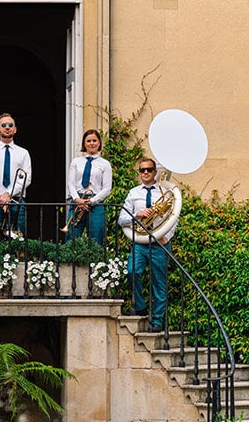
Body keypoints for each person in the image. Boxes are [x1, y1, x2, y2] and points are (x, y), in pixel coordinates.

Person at [117, 157, 177, 332]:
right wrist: (138, 215)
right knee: (132, 271)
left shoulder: (164, 192)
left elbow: (173, 217)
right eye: (142, 170)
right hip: (140, 242)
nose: (145, 173)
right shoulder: (133, 193)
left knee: (159, 282)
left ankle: (157, 320)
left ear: (154, 172)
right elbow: (121, 219)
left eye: (149, 170)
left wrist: (167, 236)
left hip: (160, 243)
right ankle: (141, 307)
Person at [0, 112, 32, 239]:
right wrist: (0, 197)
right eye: (3, 125)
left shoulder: (23, 153)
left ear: (15, 129)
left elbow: (26, 178)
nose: (7, 127)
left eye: (10, 125)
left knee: (18, 240)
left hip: (16, 201)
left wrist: (8, 194)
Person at [65, 129, 112, 244]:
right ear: (84, 144)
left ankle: (96, 262)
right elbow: (71, 184)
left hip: (96, 202)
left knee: (96, 239)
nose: (91, 143)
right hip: (78, 200)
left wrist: (90, 201)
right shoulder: (76, 161)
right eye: (88, 141)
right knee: (72, 237)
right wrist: (78, 200)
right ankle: (69, 262)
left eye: (94, 140)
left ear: (99, 143)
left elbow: (107, 188)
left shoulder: (105, 164)